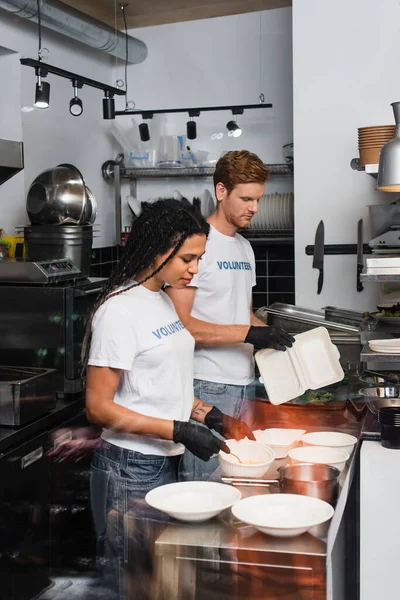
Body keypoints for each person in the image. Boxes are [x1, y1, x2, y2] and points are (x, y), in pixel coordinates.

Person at [83, 198, 254, 600]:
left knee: (161, 583)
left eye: (200, 258)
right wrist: (177, 429)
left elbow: (163, 382)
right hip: (129, 469)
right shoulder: (119, 311)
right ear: (159, 251)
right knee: (132, 584)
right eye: (188, 259)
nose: (196, 270)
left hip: (165, 460)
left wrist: (208, 415)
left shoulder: (162, 299)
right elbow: (98, 407)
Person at [166, 151, 295, 481]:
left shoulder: (244, 248)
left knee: (239, 478)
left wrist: (289, 347)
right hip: (206, 386)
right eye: (246, 198)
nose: (254, 208)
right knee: (206, 485)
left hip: (244, 384)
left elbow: (245, 315)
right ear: (221, 191)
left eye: (258, 199)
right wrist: (250, 335)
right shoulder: (196, 245)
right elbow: (180, 327)